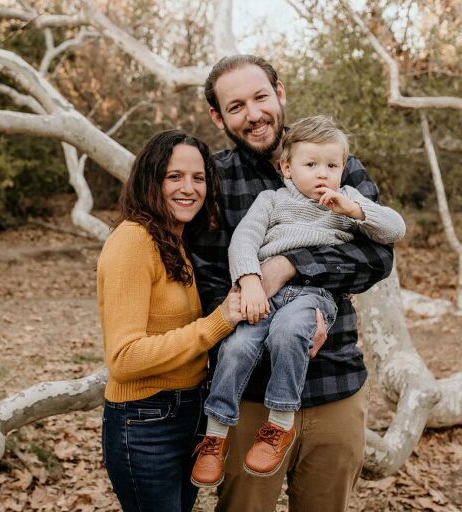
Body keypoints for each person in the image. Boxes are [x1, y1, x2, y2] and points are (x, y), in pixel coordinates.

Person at [188, 55, 396, 512]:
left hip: (334, 383)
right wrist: (250, 293)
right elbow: (205, 276)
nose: (254, 113)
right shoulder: (215, 180)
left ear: (279, 93)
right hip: (250, 393)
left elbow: (377, 257)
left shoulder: (338, 166)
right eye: (236, 106)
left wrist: (290, 265)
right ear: (218, 117)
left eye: (261, 97)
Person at [97, 129, 244, 512]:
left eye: (198, 178)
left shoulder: (174, 239)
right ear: (151, 180)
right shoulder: (133, 241)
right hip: (145, 424)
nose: (189, 188)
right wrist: (218, 322)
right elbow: (124, 358)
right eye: (174, 176)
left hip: (188, 414)